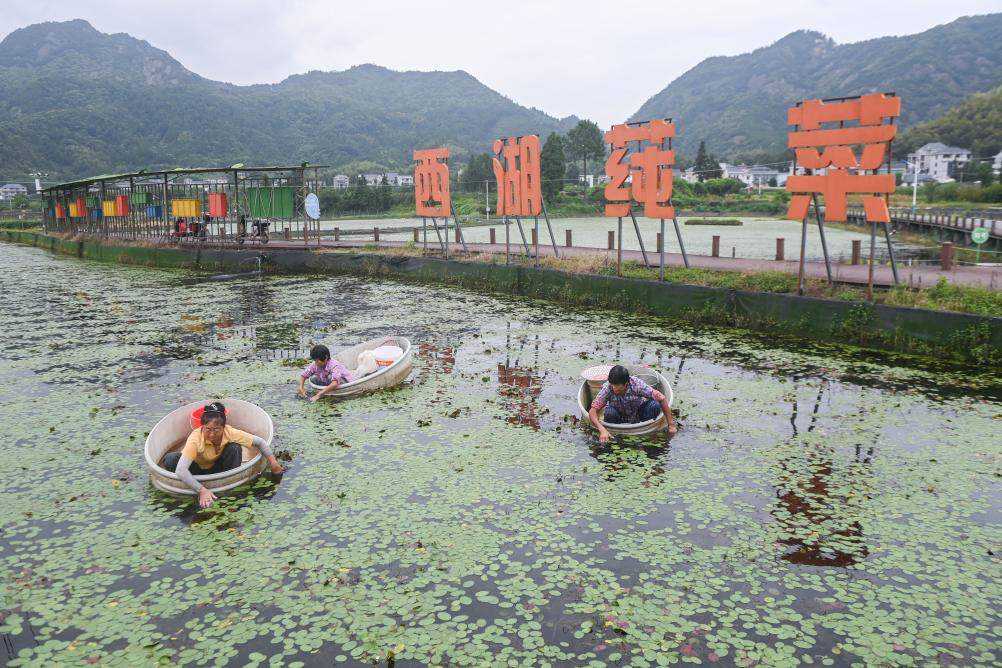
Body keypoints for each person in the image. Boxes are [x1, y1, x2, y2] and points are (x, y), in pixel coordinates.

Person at [163, 401, 283, 508]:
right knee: (171, 459)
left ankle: (231, 490)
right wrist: (201, 491)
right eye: (207, 429)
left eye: (216, 429)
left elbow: (260, 442)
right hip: (197, 470)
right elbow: (181, 470)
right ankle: (194, 487)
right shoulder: (195, 438)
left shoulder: (229, 432)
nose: (211, 434)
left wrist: (273, 463)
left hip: (221, 469)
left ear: (223, 427)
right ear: (202, 427)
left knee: (234, 448)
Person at [588, 365, 677, 443]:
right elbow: (593, 411)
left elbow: (662, 398)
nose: (614, 390)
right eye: (612, 386)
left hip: (638, 414)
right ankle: (615, 435)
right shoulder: (608, 387)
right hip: (618, 416)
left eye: (618, 389)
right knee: (609, 412)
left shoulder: (636, 384)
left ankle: (646, 432)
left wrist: (671, 424)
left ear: (626, 384)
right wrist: (602, 429)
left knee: (654, 405)